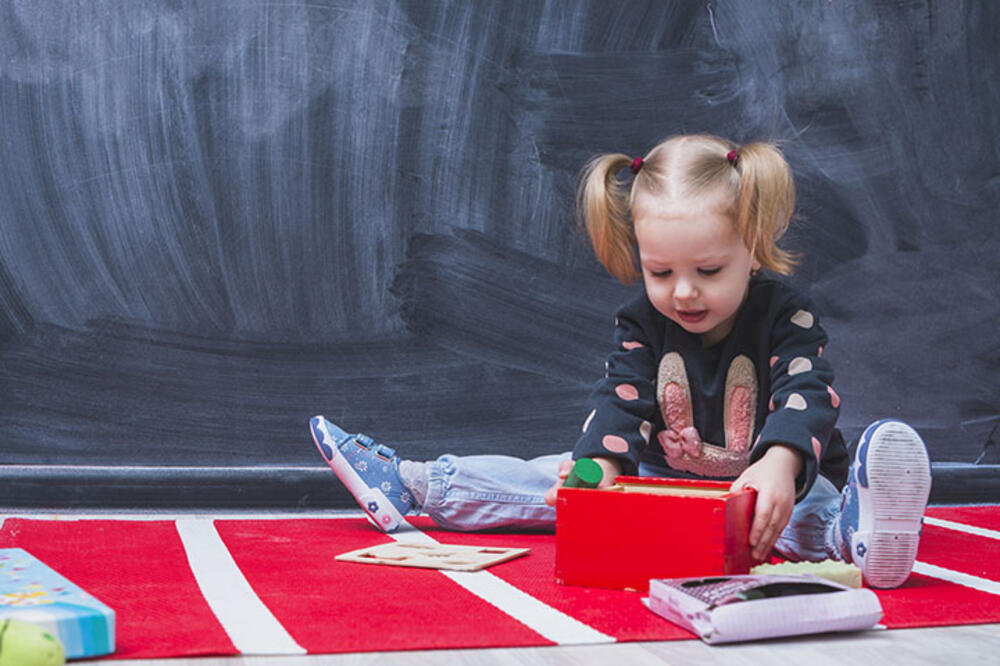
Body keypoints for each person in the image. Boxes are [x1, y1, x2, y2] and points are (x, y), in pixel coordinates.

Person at [310, 134, 932, 589]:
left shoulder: (785, 313)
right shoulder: (643, 320)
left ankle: (857, 528)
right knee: (552, 480)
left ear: (753, 249)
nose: (683, 292)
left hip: (766, 491)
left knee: (799, 512)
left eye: (708, 271)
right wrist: (599, 465)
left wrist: (778, 462)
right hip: (662, 487)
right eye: (661, 271)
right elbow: (623, 395)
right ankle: (419, 483)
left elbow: (807, 392)